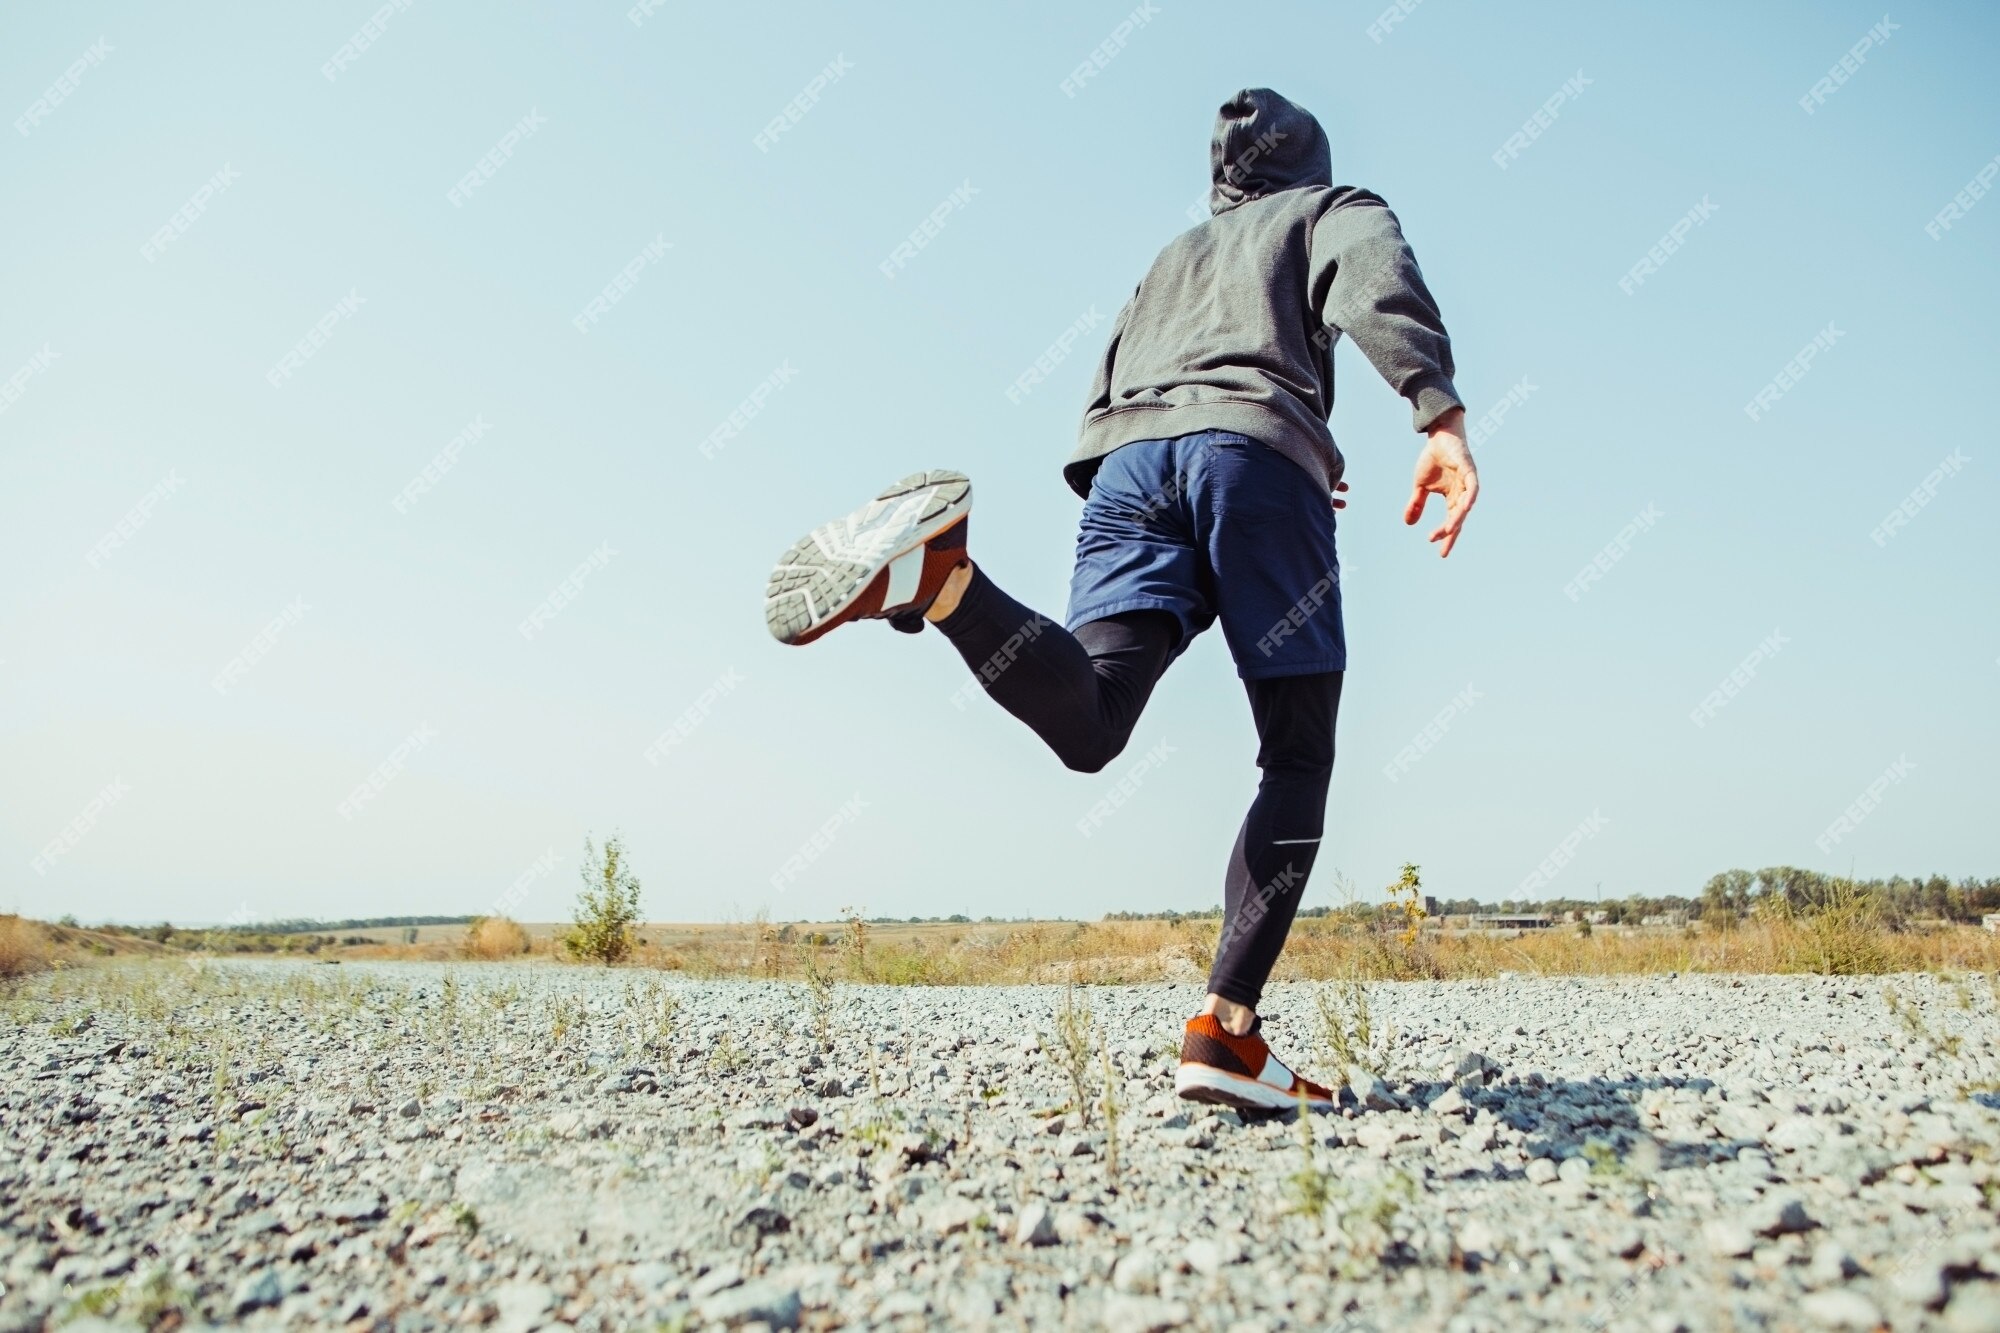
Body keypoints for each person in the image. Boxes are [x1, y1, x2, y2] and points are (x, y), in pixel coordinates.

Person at [764, 88, 1478, 1111]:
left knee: (1093, 716)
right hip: (1250, 460)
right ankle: (1227, 1033)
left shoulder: (1171, 256)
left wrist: (1247, 449)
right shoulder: (1326, 208)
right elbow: (1372, 274)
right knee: (1296, 751)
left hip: (1129, 467)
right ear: (1306, 166)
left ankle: (942, 580)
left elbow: (1120, 384)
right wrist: (1432, 411)